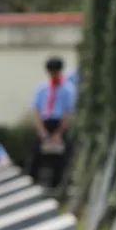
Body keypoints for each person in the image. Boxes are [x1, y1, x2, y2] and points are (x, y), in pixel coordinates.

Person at [29, 55, 75, 188]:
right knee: (36, 156)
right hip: (45, 123)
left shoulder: (68, 88)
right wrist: (41, 130)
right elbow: (36, 109)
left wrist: (58, 133)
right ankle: (33, 182)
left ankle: (56, 186)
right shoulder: (42, 87)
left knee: (61, 158)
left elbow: (68, 112)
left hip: (59, 124)